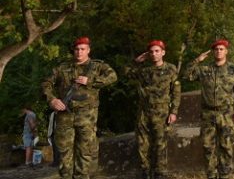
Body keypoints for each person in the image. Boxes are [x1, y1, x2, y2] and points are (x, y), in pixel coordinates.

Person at [42, 36, 117, 179]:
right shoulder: (62, 67)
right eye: (77, 49)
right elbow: (46, 83)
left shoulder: (97, 66)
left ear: (88, 50)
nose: (79, 52)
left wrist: (91, 81)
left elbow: (113, 76)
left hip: (87, 117)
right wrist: (52, 100)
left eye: (83, 49)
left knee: (85, 152)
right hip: (65, 116)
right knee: (64, 153)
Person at [185, 39, 234, 179]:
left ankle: (225, 175)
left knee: (226, 146)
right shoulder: (205, 69)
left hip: (226, 114)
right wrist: (197, 60)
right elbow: (187, 76)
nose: (219, 51)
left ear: (226, 51)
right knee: (208, 146)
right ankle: (211, 175)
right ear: (213, 52)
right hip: (208, 114)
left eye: (221, 49)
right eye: (216, 49)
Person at [126, 40, 181, 179]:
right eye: (151, 52)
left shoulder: (171, 69)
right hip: (144, 112)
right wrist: (137, 61)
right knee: (142, 144)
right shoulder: (144, 71)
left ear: (163, 52)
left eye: (157, 51)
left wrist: (173, 111)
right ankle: (145, 172)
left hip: (162, 112)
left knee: (160, 144)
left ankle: (160, 173)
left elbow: (176, 92)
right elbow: (127, 73)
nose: (154, 54)